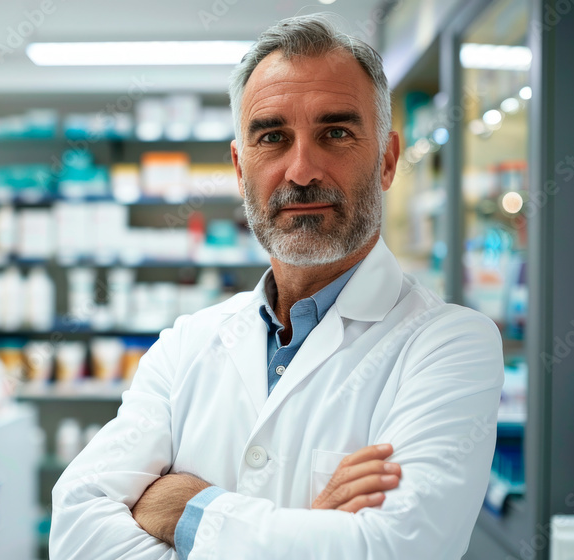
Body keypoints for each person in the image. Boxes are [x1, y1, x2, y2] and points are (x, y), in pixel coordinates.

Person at [50, 13, 503, 560]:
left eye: (335, 132)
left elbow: (394, 550)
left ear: (386, 159)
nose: (302, 169)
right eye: (272, 136)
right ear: (241, 169)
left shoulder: (449, 345)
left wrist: (182, 506)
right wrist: (310, 529)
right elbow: (76, 530)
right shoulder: (186, 346)